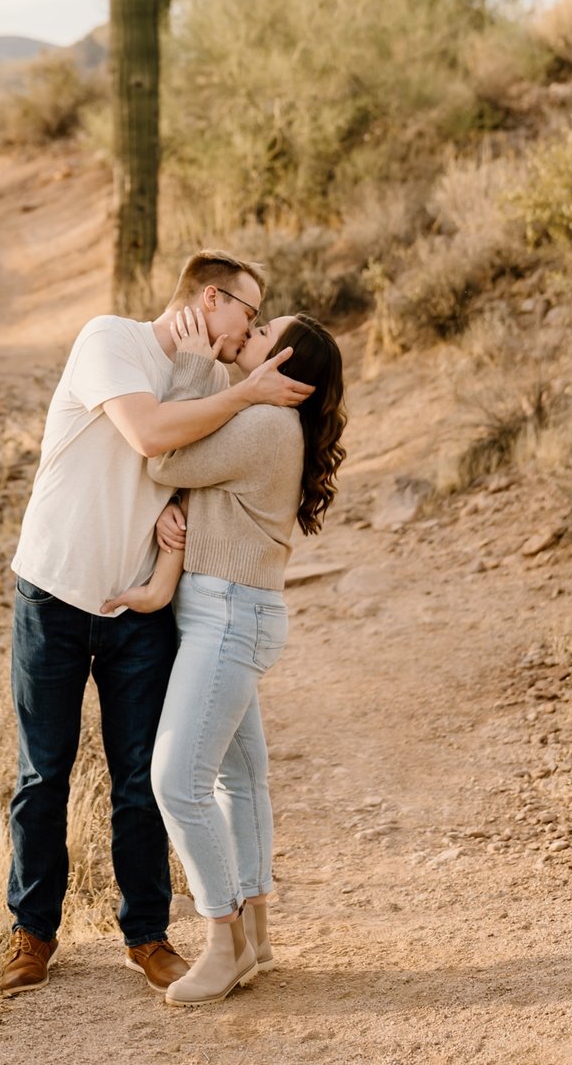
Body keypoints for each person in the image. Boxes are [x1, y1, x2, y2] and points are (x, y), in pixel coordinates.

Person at [0, 251, 313, 998]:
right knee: (44, 770)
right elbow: (149, 436)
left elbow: (192, 462)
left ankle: (147, 934)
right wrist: (239, 395)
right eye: (249, 312)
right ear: (213, 297)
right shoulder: (109, 338)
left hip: (141, 602)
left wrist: (227, 392)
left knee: (141, 776)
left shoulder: (211, 379)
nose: (250, 331)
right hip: (55, 588)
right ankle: (32, 931)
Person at [129, 313, 346, 1008]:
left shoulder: (262, 426)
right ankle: (255, 931)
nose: (245, 337)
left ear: (280, 366)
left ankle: (221, 943)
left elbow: (163, 457)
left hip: (226, 618)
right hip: (235, 614)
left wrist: (194, 368)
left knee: (176, 781)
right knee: (241, 777)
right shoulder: (270, 424)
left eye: (261, 335)